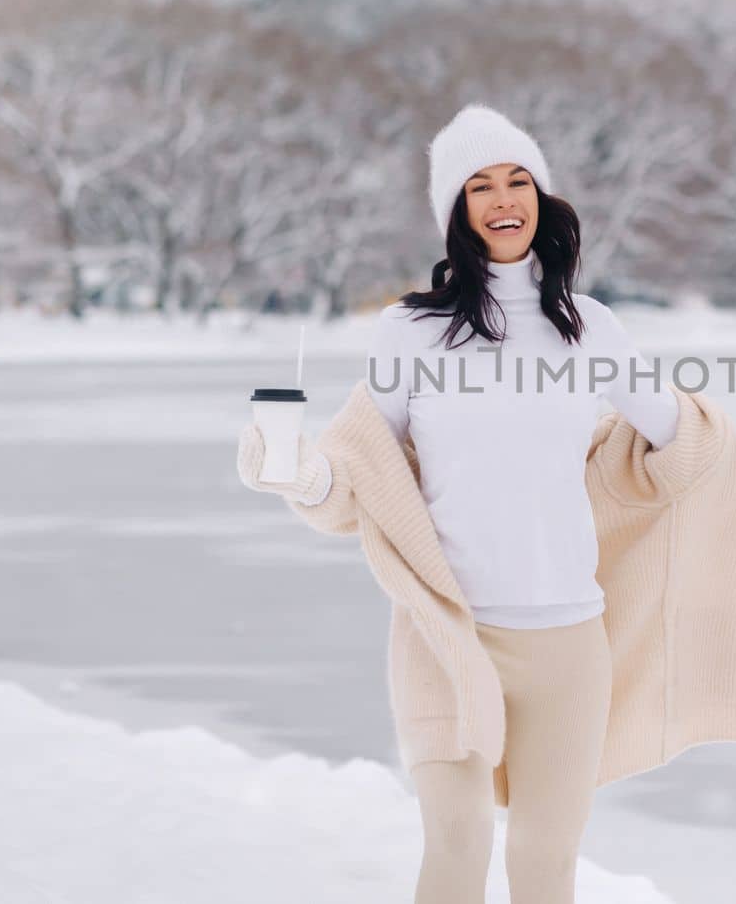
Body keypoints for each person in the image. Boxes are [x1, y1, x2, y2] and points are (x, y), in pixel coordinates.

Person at [238, 102, 679, 904]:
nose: (504, 198)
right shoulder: (411, 331)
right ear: (457, 211)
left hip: (570, 641)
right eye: (481, 185)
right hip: (447, 633)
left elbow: (689, 442)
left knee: (546, 860)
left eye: (518, 180)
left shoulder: (592, 329)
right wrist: (299, 473)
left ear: (542, 200)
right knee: (459, 837)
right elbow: (362, 469)